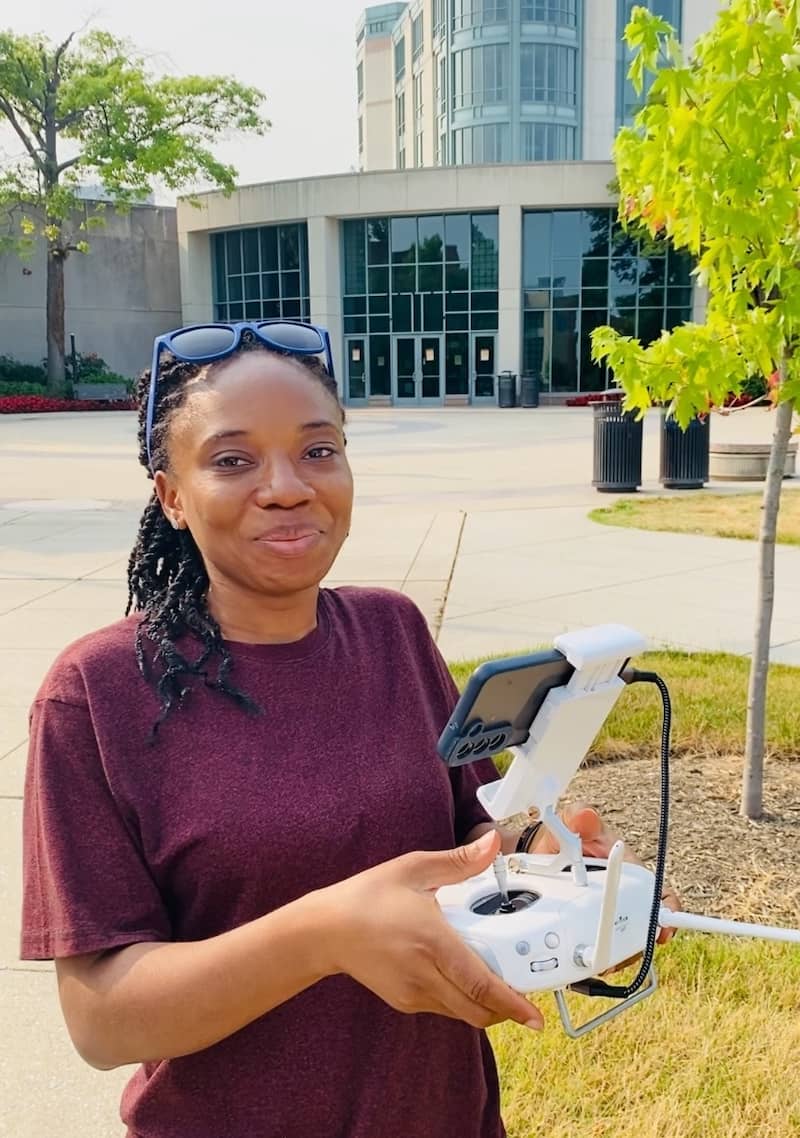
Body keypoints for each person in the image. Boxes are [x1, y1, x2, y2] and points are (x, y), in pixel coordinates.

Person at [20, 321, 679, 1138]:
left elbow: (473, 836)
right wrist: (325, 934)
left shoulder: (393, 631)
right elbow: (102, 1020)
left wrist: (555, 880)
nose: (288, 486)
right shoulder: (97, 693)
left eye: (318, 450)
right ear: (172, 496)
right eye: (232, 460)